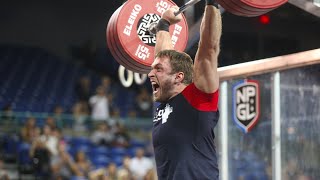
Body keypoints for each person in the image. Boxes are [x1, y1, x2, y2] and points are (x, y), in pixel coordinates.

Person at [148, 0, 221, 179]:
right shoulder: (164, 102)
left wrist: (212, 3)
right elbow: (163, 56)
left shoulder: (197, 99)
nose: (150, 74)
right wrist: (163, 25)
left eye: (157, 70)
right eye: (152, 68)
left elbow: (208, 49)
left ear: (178, 77)